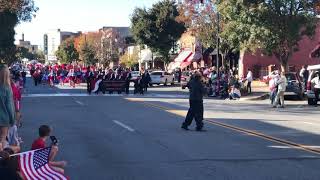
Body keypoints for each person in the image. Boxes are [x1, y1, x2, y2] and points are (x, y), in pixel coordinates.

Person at [0, 64, 15, 151]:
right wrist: (12, 120)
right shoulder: (6, 88)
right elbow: (10, 106)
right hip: (4, 118)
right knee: (2, 139)